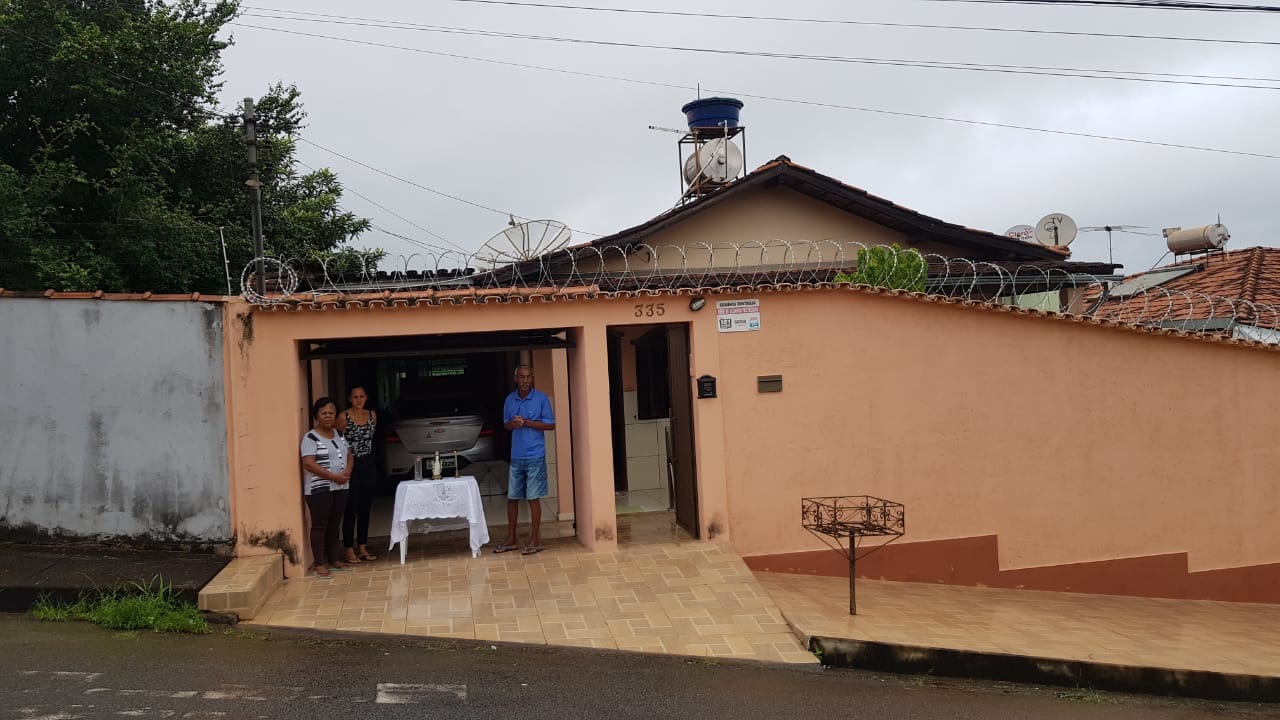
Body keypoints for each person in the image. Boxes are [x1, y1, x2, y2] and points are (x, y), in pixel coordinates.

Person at [495, 364, 555, 555]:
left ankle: (534, 540)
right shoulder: (509, 399)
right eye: (521, 377)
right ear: (516, 379)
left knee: (533, 498)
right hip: (516, 456)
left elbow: (550, 425)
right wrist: (513, 424)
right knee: (512, 498)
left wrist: (527, 423)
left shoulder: (541, 398)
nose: (525, 380)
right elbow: (505, 425)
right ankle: (511, 539)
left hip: (535, 456)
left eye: (528, 377)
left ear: (532, 378)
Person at [301, 397, 353, 579]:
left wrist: (347, 472)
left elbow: (349, 455)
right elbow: (309, 464)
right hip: (319, 489)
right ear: (316, 416)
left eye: (331, 413)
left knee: (334, 524)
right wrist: (333, 477)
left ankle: (334, 559)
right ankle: (320, 563)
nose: (328, 416)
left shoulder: (339, 434)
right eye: (324, 413)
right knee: (320, 525)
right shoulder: (310, 438)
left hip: (341, 486)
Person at [338, 386, 379, 564]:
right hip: (351, 463)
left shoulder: (372, 415)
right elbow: (338, 440)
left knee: (365, 507)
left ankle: (362, 546)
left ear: (366, 398)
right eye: (355, 397)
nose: (359, 400)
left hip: (368, 463)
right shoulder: (343, 417)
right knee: (351, 507)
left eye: (362, 396)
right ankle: (348, 548)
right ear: (350, 399)